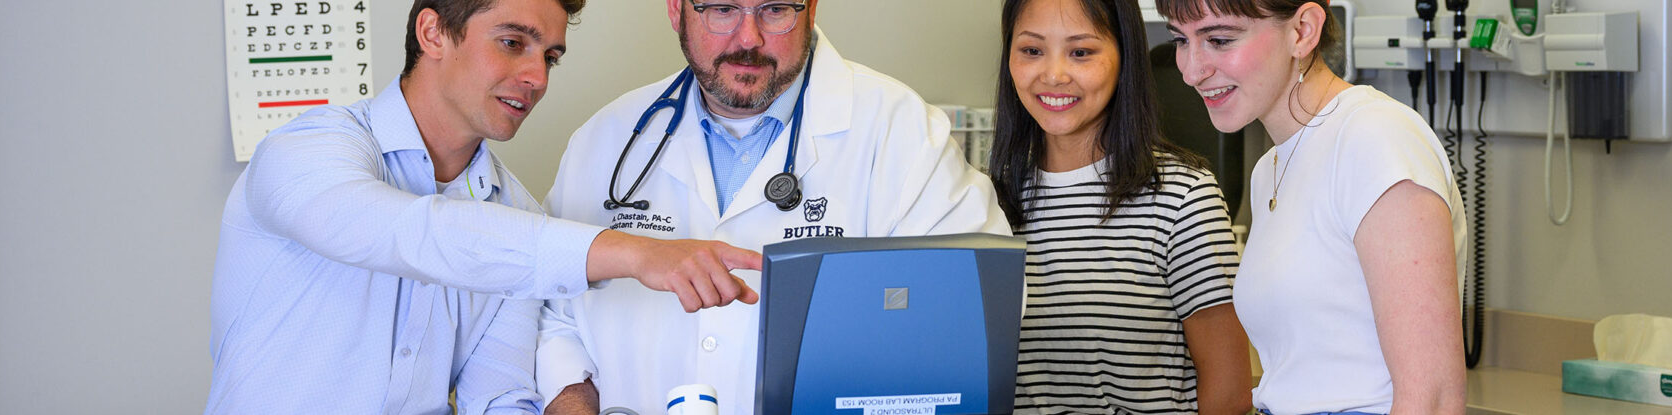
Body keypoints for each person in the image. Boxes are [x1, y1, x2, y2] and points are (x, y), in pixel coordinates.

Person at [206, 0, 764, 413]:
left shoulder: (519, 214)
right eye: (512, 42)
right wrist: (633, 253)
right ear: (433, 32)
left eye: (550, 56)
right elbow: (409, 233)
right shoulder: (304, 153)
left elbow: (498, 393)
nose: (538, 77)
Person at [537, 0, 1013, 413]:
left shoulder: (900, 134)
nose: (749, 37)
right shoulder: (606, 140)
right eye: (721, 9)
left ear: (812, 9)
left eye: (776, 9)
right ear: (675, 9)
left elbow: (974, 312)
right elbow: (551, 315)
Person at [1160, 0, 1469, 414]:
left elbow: (1433, 400)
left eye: (1219, 39)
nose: (1191, 70)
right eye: (1181, 40)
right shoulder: (1269, 168)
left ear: (1303, 30)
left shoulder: (1375, 138)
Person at [989, 0, 1251, 413]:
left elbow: (1230, 390)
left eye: (1081, 52)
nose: (1053, 75)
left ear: (1124, 57)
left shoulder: (1183, 196)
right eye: (1032, 50)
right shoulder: (987, 199)